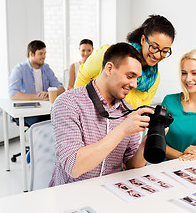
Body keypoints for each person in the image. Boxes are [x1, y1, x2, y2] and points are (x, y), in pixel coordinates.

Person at [48, 42, 155, 187]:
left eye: (137, 78)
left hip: (110, 193)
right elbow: (74, 167)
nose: (135, 84)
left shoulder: (127, 110)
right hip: (71, 195)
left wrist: (146, 143)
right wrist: (122, 130)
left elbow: (130, 166)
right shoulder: (68, 103)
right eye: (130, 76)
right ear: (109, 68)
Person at [74, 14, 175, 109]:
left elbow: (140, 110)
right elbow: (83, 77)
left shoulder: (154, 79)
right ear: (143, 40)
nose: (158, 55)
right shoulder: (110, 53)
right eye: (154, 47)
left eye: (165, 51)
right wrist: (81, 110)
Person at [8, 40, 65, 126]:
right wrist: (38, 97)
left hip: (43, 109)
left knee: (61, 118)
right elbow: (13, 94)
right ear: (31, 54)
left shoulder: (46, 68)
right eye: (40, 54)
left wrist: (48, 94)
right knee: (42, 123)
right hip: (27, 111)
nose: (44, 56)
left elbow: (61, 89)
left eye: (45, 53)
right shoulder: (19, 69)